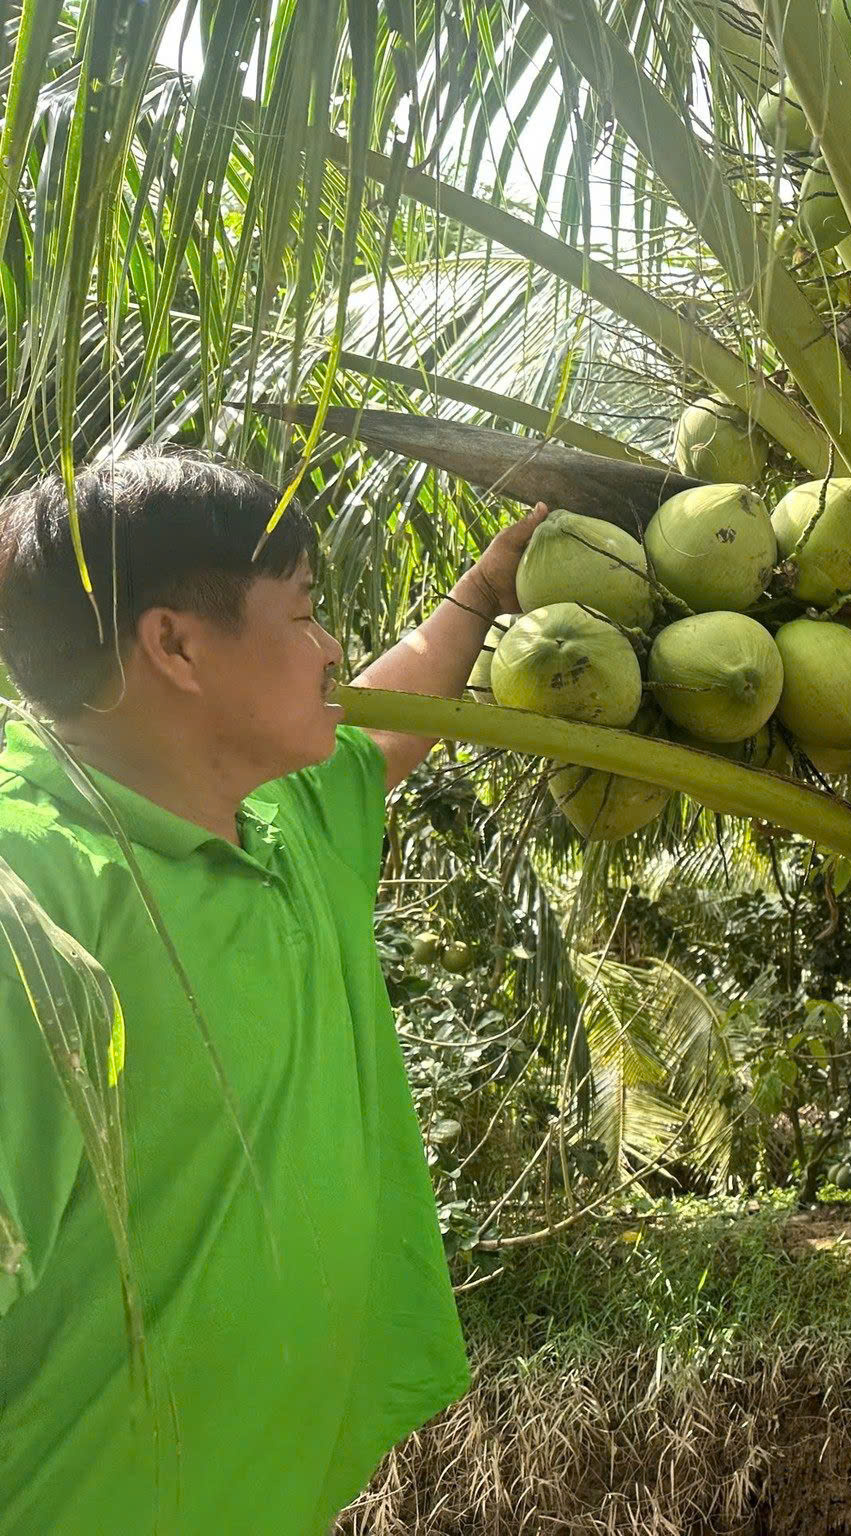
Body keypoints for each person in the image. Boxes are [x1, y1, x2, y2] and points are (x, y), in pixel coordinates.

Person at [0, 452, 547, 1534]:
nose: (332, 646)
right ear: (175, 644)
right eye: (301, 613)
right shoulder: (36, 894)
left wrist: (482, 595)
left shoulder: (278, 808)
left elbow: (388, 721)